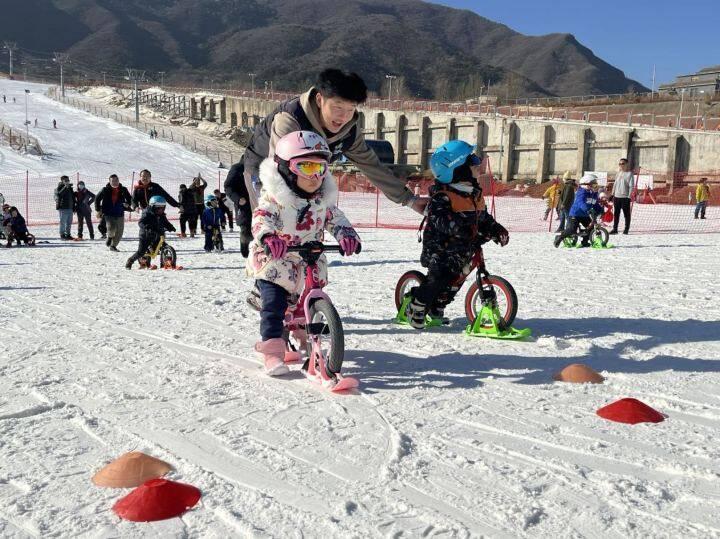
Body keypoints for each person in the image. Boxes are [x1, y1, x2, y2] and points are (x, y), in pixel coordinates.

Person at [236, 68, 427, 256]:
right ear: (319, 100)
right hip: (265, 169)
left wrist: (409, 200)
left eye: (350, 109)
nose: (343, 116)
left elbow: (372, 166)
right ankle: (260, 266)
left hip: (309, 175)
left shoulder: (349, 131)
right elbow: (276, 173)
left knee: (307, 243)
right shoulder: (291, 119)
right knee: (275, 235)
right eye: (337, 107)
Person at [247, 131, 360, 375]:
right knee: (274, 307)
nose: (314, 176)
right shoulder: (275, 198)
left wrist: (346, 235)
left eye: (320, 167)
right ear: (287, 169)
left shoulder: (322, 200)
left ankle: (306, 335)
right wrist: (268, 237)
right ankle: (272, 353)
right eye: (306, 166)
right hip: (277, 261)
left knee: (305, 304)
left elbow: (336, 219)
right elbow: (261, 218)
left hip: (309, 260)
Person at [403, 140, 509, 329]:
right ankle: (416, 304)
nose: (478, 164)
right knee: (440, 278)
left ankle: (436, 307)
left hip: (465, 247)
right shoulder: (443, 196)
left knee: (455, 283)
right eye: (473, 160)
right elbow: (440, 219)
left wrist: (495, 229)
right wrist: (459, 228)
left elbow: (483, 218)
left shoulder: (473, 194)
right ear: (457, 168)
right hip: (441, 249)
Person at [554, 174, 604, 248]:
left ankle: (585, 242)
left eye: (596, 185)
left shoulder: (593, 194)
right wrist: (588, 209)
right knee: (571, 229)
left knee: (591, 227)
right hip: (575, 214)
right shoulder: (581, 192)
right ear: (586, 184)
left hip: (585, 215)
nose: (595, 187)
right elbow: (581, 203)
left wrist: (600, 210)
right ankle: (560, 237)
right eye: (593, 185)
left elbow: (595, 203)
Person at [125, 196, 176, 269]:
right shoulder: (147, 213)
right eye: (158, 208)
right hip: (146, 235)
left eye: (162, 208)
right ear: (152, 207)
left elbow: (165, 222)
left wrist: (170, 227)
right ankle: (130, 261)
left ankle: (166, 262)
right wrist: (147, 228)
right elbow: (141, 222)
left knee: (163, 246)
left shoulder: (161, 214)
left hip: (157, 233)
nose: (161, 210)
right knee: (141, 252)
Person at [95, 174, 132, 251]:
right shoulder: (105, 190)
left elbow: (129, 198)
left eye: (116, 180)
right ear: (109, 182)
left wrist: (128, 204)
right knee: (111, 228)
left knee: (119, 232)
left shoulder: (123, 189)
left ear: (118, 181)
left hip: (120, 213)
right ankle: (110, 236)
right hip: (108, 213)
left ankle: (113, 246)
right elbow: (97, 199)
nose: (115, 182)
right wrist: (98, 210)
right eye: (113, 181)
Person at [224, 162, 252, 255]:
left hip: (261, 203)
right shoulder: (238, 168)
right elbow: (228, 186)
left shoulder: (262, 164)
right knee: (246, 229)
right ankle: (246, 252)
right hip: (244, 205)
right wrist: (238, 198)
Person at [610, 158, 635, 235]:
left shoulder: (630, 174)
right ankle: (615, 229)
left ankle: (626, 229)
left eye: (623, 163)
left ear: (627, 164)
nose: (621, 165)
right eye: (620, 164)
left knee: (626, 214)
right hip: (617, 197)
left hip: (625, 197)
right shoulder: (618, 173)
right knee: (616, 214)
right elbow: (615, 184)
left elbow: (631, 186)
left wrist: (629, 197)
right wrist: (612, 194)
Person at [54, 175, 75, 239]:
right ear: (62, 181)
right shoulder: (59, 187)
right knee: (62, 222)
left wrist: (73, 207)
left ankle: (68, 234)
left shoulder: (70, 188)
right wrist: (65, 187)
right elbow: (59, 195)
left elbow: (72, 198)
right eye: (66, 180)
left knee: (69, 222)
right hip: (63, 208)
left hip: (70, 208)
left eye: (68, 180)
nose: (67, 181)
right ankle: (62, 234)